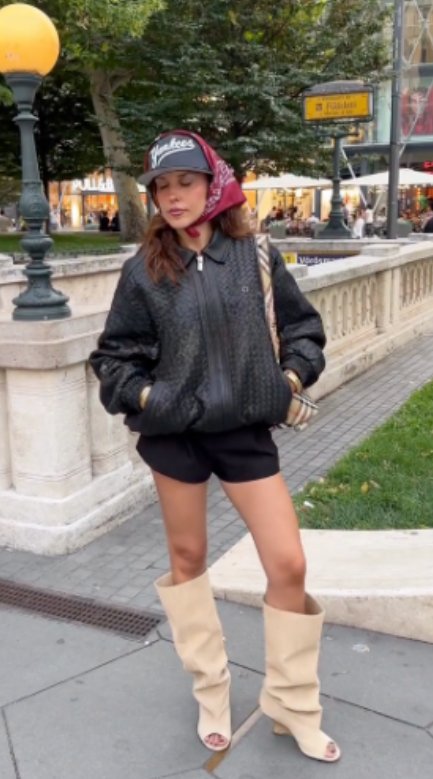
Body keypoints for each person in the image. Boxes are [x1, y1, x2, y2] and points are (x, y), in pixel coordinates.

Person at [89, 130, 340, 763]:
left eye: (186, 182)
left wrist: (287, 380)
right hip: (176, 436)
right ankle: (211, 690)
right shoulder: (143, 271)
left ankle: (292, 704)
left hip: (244, 434)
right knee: (188, 557)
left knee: (288, 564)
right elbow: (114, 359)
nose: (173, 196)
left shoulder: (254, 255)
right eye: (162, 187)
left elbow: (305, 331)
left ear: (213, 184)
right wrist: (153, 398)